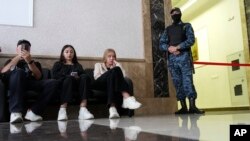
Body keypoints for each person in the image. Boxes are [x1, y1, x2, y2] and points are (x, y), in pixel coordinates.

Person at [1, 39, 59, 123]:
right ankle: (15, 113)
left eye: (26, 48)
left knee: (54, 83)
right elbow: (3, 72)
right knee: (19, 72)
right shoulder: (10, 61)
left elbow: (38, 77)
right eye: (21, 48)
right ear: (17, 49)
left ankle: (33, 112)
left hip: (30, 83)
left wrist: (29, 61)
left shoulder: (35, 63)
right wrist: (18, 57)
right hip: (15, 83)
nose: (24, 50)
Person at [159, 7, 204, 114]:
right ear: (171, 16)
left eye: (177, 12)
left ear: (180, 14)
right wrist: (170, 48)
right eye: (173, 13)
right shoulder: (168, 29)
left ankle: (192, 107)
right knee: (177, 83)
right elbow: (161, 43)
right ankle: (183, 107)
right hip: (172, 59)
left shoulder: (186, 26)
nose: (175, 14)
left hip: (184, 57)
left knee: (187, 82)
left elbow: (191, 40)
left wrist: (178, 47)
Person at [93, 48, 141, 119]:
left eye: (113, 56)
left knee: (115, 71)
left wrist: (118, 66)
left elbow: (124, 77)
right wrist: (111, 73)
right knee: (114, 72)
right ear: (105, 58)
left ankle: (112, 109)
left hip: (110, 86)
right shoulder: (98, 65)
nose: (112, 58)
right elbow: (96, 77)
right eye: (109, 56)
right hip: (100, 84)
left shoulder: (116, 67)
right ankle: (127, 98)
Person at [51, 45, 94, 121]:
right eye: (66, 52)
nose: (69, 54)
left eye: (71, 52)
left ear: (74, 54)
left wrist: (77, 77)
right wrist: (68, 76)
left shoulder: (78, 65)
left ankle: (83, 110)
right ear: (62, 53)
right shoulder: (58, 64)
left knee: (85, 76)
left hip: (76, 86)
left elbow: (82, 76)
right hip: (63, 85)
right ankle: (62, 110)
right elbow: (54, 76)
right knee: (69, 78)